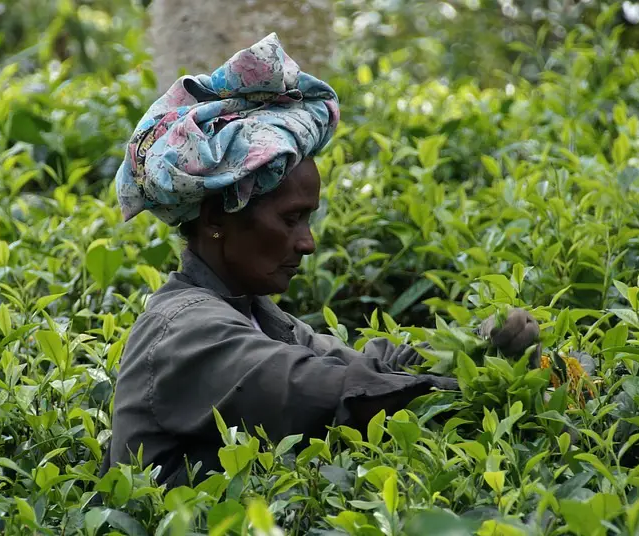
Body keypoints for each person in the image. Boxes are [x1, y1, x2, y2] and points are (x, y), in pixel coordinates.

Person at [100, 34, 541, 488]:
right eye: (291, 219)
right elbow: (322, 389)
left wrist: (478, 347)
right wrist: (466, 387)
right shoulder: (184, 331)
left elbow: (367, 361)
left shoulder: (256, 317)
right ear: (216, 218)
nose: (307, 243)